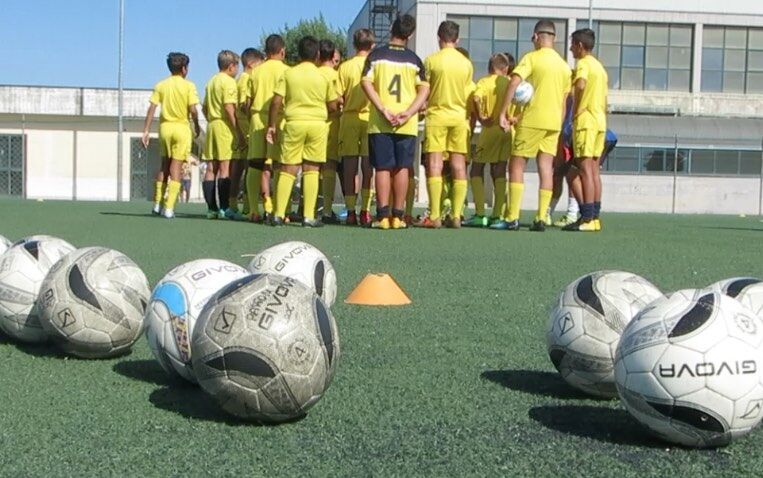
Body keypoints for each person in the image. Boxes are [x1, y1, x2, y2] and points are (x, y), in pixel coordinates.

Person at [498, 20, 572, 231]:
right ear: (555, 38)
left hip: (532, 119)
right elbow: (564, 100)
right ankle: (541, 217)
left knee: (517, 164)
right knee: (545, 167)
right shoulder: (564, 66)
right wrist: (558, 123)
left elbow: (514, 81)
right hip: (553, 122)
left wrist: (503, 112)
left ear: (536, 36)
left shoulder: (532, 57)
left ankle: (512, 217)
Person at [361, 14, 429, 230]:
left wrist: (382, 108)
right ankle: (398, 216)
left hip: (381, 121)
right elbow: (424, 90)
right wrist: (409, 113)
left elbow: (366, 83)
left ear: (391, 29)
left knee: (382, 167)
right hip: (405, 123)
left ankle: (382, 216)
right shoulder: (415, 60)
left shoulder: (376, 56)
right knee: (402, 167)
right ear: (410, 34)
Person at [267, 36, 340, 227]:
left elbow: (276, 102)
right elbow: (332, 105)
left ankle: (278, 214)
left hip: (293, 123)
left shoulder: (289, 74)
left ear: (297, 53)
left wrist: (272, 125)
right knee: (312, 169)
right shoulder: (323, 77)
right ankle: (308, 216)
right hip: (317, 125)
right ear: (317, 54)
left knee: (288, 168)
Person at [419, 20, 474, 229]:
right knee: (459, 164)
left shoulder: (432, 60)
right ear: (457, 39)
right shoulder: (466, 63)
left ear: (439, 37)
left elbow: (424, 90)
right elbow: (469, 94)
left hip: (437, 115)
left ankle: (435, 215)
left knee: (435, 164)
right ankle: (457, 215)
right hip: (460, 117)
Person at [141, 52, 201, 219]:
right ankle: (169, 208)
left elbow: (152, 108)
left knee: (164, 166)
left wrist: (145, 130)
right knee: (176, 167)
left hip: (165, 128)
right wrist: (196, 125)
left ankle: (157, 204)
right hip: (181, 128)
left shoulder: (161, 85)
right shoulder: (189, 86)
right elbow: (193, 110)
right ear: (184, 69)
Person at [563, 28, 608, 232]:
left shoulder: (583, 65)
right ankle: (595, 217)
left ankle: (587, 217)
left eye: (572, 44)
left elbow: (580, 85)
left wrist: (576, 109)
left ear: (580, 46)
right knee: (594, 170)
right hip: (600, 121)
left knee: (585, 170)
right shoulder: (600, 67)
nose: (571, 49)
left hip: (586, 122)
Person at [466, 53, 514, 228]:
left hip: (490, 130)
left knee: (476, 170)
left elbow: (476, 97)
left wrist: (481, 117)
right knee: (500, 170)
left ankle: (480, 214)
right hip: (507, 131)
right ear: (506, 68)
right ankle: (497, 215)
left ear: (489, 67)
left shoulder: (484, 82)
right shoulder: (510, 83)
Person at [245, 34, 289, 222]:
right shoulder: (287, 71)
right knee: (279, 165)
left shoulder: (255, 71)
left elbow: (246, 102)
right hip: (279, 120)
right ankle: (280, 211)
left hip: (257, 119)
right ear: (282, 51)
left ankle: (254, 210)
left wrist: (252, 118)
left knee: (255, 164)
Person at [201, 50, 246, 219]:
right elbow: (229, 107)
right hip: (224, 127)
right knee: (225, 167)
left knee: (211, 167)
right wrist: (238, 131)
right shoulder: (228, 82)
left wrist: (212, 118)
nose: (237, 71)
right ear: (231, 66)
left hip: (212, 124)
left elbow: (204, 107)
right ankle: (225, 208)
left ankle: (211, 208)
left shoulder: (211, 81)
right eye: (237, 67)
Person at [338, 28, 376, 226]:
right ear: (372, 45)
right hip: (370, 117)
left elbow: (338, 97)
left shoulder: (345, 67)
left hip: (350, 117)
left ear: (354, 45)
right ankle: (366, 210)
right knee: (368, 167)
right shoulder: (374, 66)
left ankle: (350, 210)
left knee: (349, 166)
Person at [231, 48, 264, 215]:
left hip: (245, 127)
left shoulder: (241, 79)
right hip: (246, 128)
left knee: (246, 166)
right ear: (251, 64)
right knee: (250, 166)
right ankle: (246, 205)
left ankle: (240, 204)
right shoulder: (245, 78)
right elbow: (244, 105)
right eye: (260, 64)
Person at [317, 40, 343, 224]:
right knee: (329, 166)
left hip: (313, 120)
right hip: (330, 123)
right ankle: (326, 209)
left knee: (310, 167)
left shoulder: (313, 72)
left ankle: (308, 207)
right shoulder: (334, 76)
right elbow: (335, 102)